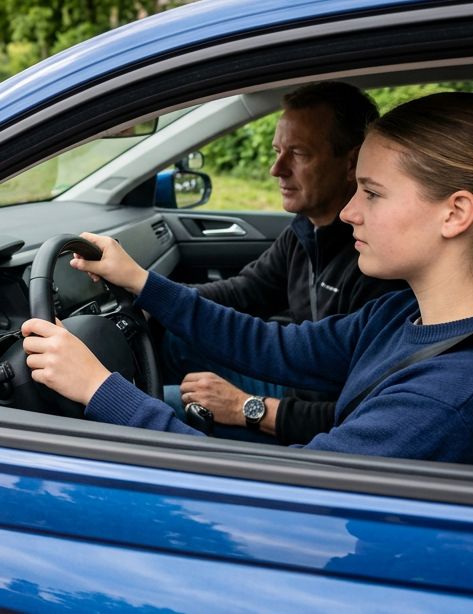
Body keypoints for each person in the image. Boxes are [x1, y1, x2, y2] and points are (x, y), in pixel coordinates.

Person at [23, 93, 473, 467]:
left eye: (372, 193)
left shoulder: (451, 398)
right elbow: (269, 345)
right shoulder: (404, 314)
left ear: (456, 213)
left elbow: (276, 501)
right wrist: (142, 282)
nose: (350, 212)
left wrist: (100, 390)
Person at [165, 81, 405, 444]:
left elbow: (360, 415)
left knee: (165, 404)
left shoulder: (377, 264)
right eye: (278, 151)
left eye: (299, 154)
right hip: (295, 385)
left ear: (351, 163)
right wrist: (152, 295)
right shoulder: (306, 229)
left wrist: (246, 406)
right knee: (175, 339)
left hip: (308, 424)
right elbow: (249, 292)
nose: (276, 169)